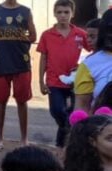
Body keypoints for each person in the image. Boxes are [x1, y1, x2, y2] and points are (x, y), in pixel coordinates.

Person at [0, 0, 37, 149]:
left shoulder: (26, 11)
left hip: (21, 61)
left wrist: (17, 36)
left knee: (22, 101)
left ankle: (24, 139)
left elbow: (33, 36)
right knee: (1, 101)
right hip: (0, 61)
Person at [38, 0, 90, 148]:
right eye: (59, 12)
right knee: (57, 110)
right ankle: (69, 135)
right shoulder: (47, 35)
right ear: (54, 14)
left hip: (76, 82)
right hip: (54, 81)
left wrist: (81, 67)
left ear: (72, 14)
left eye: (66, 12)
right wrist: (41, 81)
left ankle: (62, 145)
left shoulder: (80, 34)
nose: (63, 16)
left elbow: (93, 51)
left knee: (75, 114)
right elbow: (43, 58)